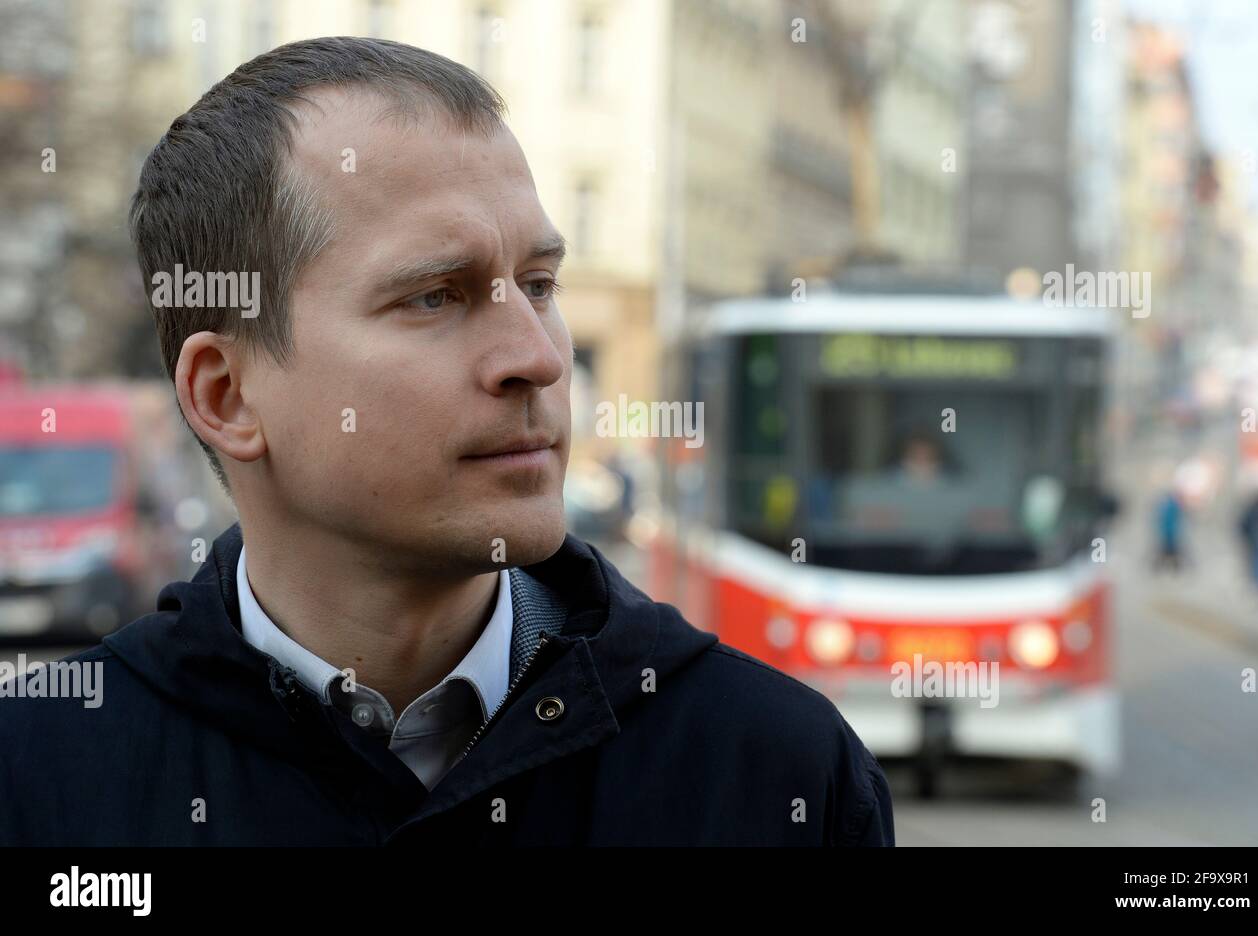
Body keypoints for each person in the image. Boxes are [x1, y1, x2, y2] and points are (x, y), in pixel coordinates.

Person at [0, 38, 892, 846]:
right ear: (227, 395)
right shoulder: (42, 777)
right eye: (435, 296)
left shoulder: (776, 777)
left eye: (539, 284)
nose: (538, 359)